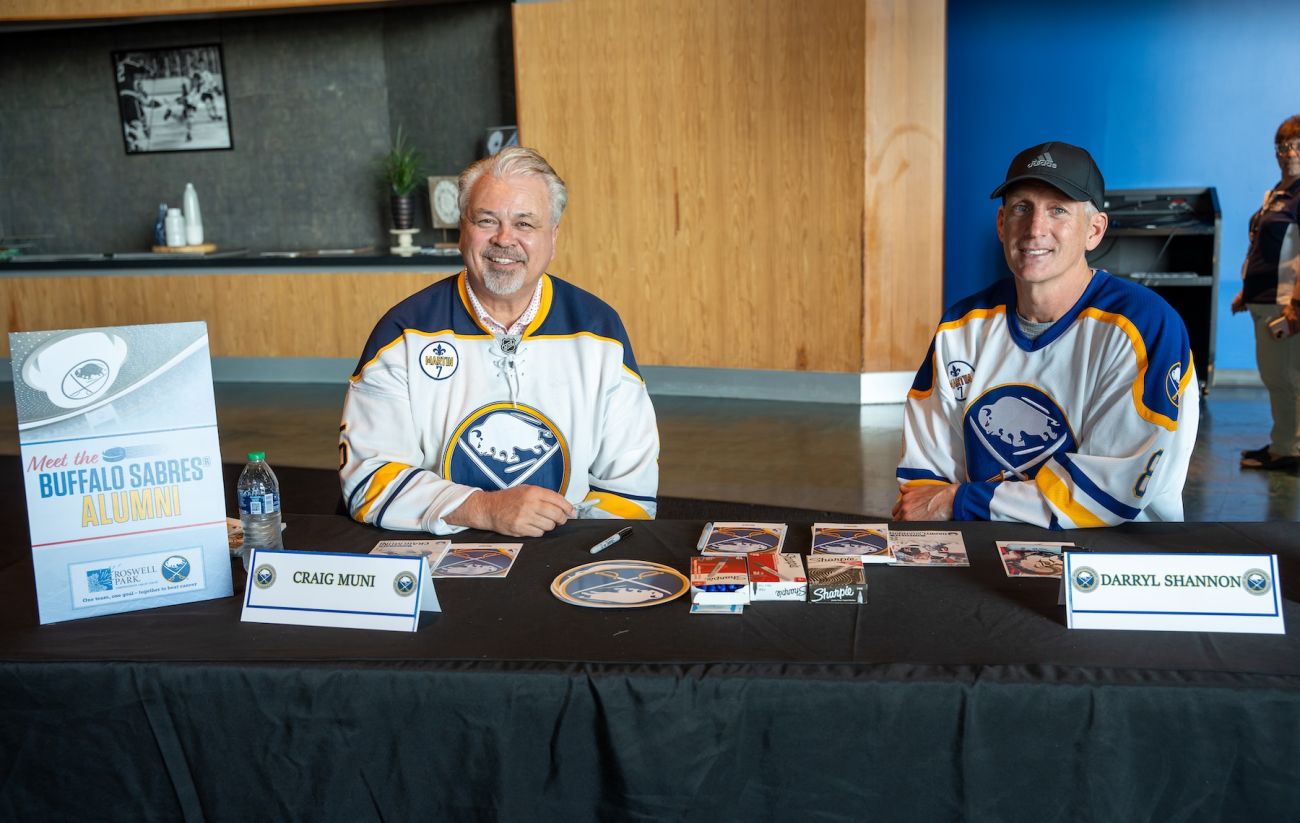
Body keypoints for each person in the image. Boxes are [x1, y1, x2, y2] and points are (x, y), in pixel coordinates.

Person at [340, 146, 659, 537]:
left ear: (553, 237)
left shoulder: (599, 331)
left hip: (562, 549)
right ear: (463, 231)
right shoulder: (404, 332)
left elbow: (630, 492)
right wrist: (484, 509)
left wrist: (558, 545)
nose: (505, 239)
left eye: (525, 223)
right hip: (437, 549)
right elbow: (368, 481)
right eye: (487, 220)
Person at [894, 141, 1199, 528]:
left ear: (1094, 230)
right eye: (1022, 208)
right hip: (984, 545)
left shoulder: (1145, 326)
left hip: (1112, 555)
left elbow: (1105, 495)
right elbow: (924, 483)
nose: (1035, 228)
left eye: (1058, 210)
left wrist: (960, 501)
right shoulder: (960, 326)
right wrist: (945, 509)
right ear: (1002, 224)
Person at [1231, 115, 1300, 471]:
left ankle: (1290, 450)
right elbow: (1260, 246)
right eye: (1283, 147)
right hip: (1262, 299)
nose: (1289, 154)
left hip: (1284, 302)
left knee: (1287, 378)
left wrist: (1296, 305)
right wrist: (1246, 291)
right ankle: (1282, 442)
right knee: (1276, 377)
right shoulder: (1276, 194)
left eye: (1297, 146)